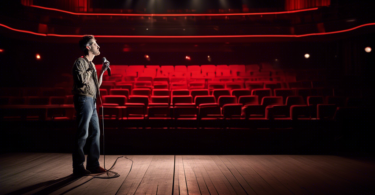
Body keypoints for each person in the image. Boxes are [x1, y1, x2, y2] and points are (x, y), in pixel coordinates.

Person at [71, 35, 109, 175]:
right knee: (83, 133)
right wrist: (90, 69)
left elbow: (96, 87)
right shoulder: (80, 62)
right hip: (83, 99)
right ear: (88, 47)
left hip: (91, 100)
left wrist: (102, 72)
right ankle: (78, 167)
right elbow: (81, 81)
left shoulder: (92, 65)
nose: (98, 46)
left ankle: (93, 164)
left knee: (95, 132)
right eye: (95, 44)